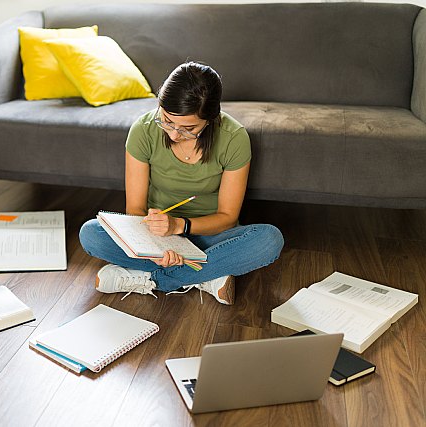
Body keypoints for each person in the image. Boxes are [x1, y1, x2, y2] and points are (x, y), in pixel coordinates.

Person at [79, 61, 284, 304]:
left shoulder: (233, 138)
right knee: (91, 233)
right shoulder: (143, 130)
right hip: (154, 235)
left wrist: (179, 226)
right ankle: (205, 276)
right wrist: (155, 248)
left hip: (210, 236)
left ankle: (154, 280)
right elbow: (134, 211)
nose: (174, 134)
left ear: (210, 119)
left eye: (188, 128)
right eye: (166, 120)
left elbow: (227, 216)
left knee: (270, 240)